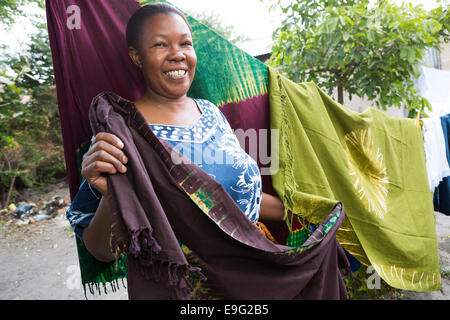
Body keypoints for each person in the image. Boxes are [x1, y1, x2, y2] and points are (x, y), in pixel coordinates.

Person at [66, 3, 286, 263]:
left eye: (185, 43)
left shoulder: (211, 113)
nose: (177, 54)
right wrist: (112, 195)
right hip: (188, 289)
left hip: (255, 271)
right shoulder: (122, 132)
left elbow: (236, 193)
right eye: (160, 44)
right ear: (136, 56)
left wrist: (304, 210)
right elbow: (101, 252)